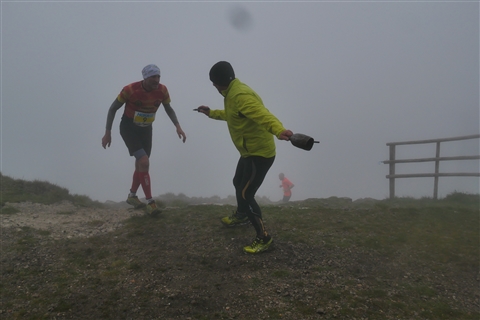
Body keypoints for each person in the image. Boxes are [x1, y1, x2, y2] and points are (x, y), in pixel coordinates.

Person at [195, 61, 293, 254]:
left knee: (246, 194)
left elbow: (262, 115)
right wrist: (211, 113)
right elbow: (234, 115)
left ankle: (264, 238)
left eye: (214, 82)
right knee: (237, 181)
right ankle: (241, 215)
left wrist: (278, 130)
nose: (213, 86)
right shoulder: (231, 93)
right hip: (248, 152)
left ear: (220, 82)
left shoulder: (239, 95)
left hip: (260, 154)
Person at [102, 64, 186, 214]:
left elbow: (168, 108)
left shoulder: (163, 90)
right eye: (153, 77)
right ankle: (150, 202)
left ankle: (132, 196)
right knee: (144, 161)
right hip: (129, 128)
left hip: (146, 129)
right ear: (145, 78)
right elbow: (113, 108)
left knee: (142, 164)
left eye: (158, 76)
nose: (157, 80)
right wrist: (108, 132)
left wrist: (178, 126)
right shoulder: (130, 89)